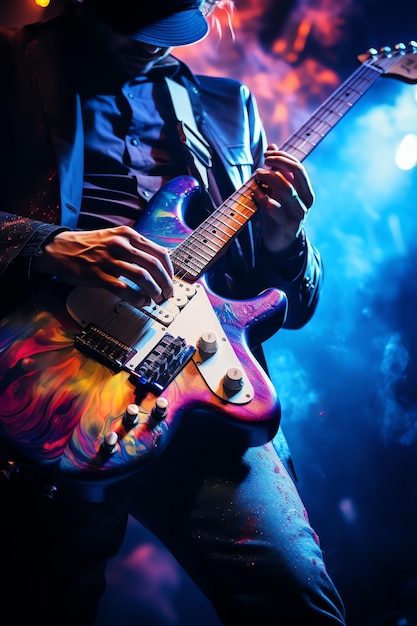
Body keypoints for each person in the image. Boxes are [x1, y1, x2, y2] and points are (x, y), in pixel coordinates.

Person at [0, 1, 346, 624]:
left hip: (197, 387)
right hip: (46, 379)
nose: (152, 43)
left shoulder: (225, 104)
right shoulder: (8, 60)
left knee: (299, 601)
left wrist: (283, 240)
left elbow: (291, 305)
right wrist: (47, 245)